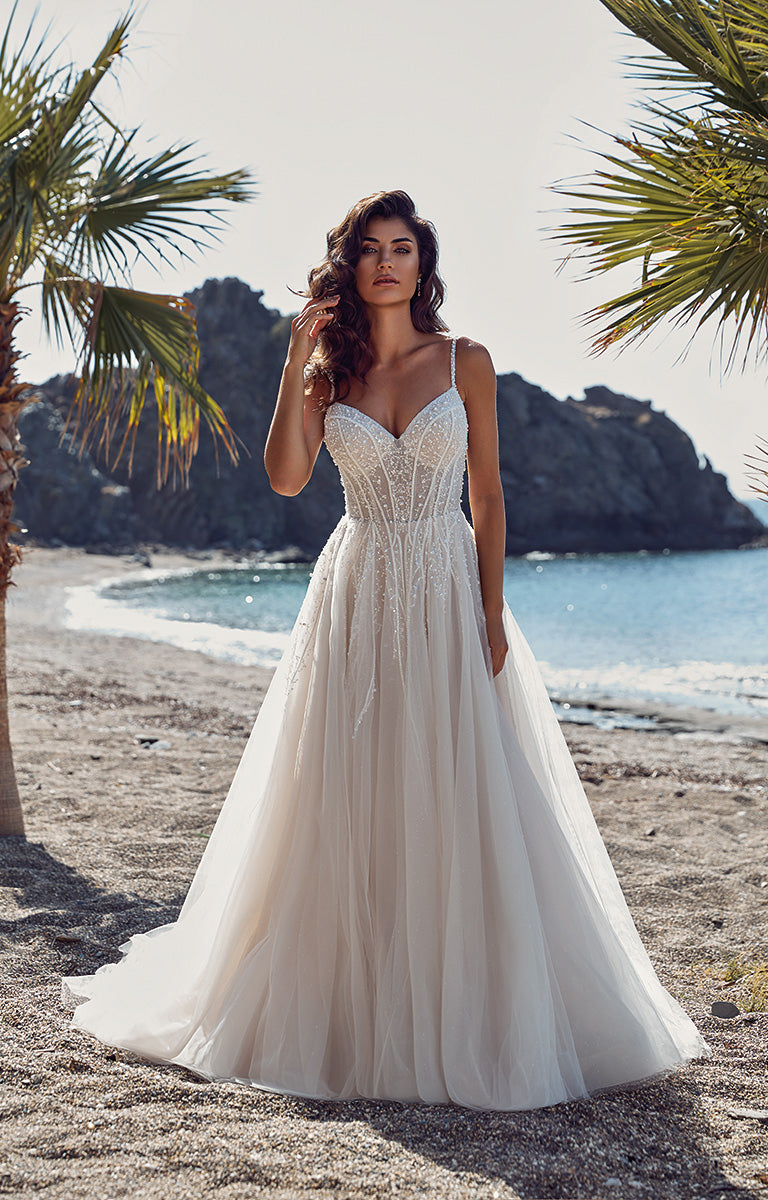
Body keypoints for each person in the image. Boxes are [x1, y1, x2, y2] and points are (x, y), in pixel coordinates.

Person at [62, 190, 710, 1110]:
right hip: (358, 589)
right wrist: (294, 362)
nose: (387, 264)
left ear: (422, 263)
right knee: (350, 784)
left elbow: (487, 499)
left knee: (460, 786)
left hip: (447, 588)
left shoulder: (467, 360)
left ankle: (471, 998)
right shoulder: (329, 376)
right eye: (370, 250)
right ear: (349, 266)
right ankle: (349, 1008)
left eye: (402, 248)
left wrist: (490, 614)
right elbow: (287, 479)